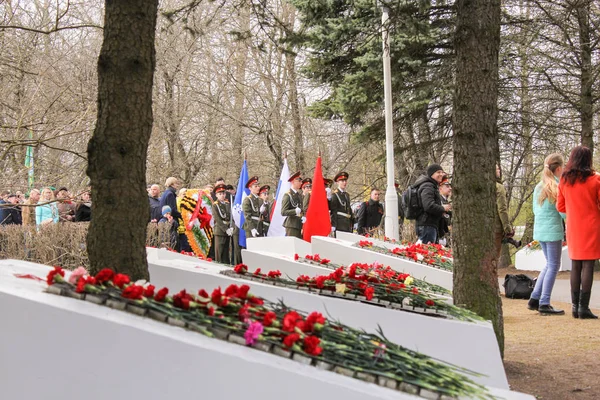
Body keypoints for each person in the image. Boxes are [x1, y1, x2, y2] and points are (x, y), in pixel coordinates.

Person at [557, 146, 600, 319]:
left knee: (575, 265)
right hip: (591, 225)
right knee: (588, 265)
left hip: (573, 226)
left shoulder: (564, 180)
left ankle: (574, 307)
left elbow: (560, 206)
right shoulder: (595, 179)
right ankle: (584, 307)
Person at [526, 154, 566, 315]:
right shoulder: (557, 186)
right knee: (554, 265)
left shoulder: (539, 186)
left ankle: (534, 298)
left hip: (540, 230)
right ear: (558, 169)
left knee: (549, 264)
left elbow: (535, 210)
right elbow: (562, 211)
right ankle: (544, 302)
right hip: (553, 231)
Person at [413, 164, 451, 244]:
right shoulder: (428, 186)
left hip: (429, 225)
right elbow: (428, 206)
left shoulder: (431, 185)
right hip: (427, 225)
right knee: (426, 252)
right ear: (431, 174)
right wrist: (442, 208)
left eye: (442, 172)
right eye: (438, 172)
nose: (441, 174)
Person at [212, 183, 240, 264]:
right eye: (220, 194)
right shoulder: (215, 205)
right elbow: (218, 219)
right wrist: (226, 229)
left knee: (226, 254)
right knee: (219, 253)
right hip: (220, 231)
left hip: (228, 230)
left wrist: (231, 227)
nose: (222, 195)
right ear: (216, 195)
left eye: (223, 193)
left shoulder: (228, 204)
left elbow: (231, 216)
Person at [496, 166, 521, 248]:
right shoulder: (499, 187)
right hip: (495, 228)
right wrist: (508, 230)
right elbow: (502, 209)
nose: (499, 170)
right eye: (497, 169)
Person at [159, 177, 182, 250]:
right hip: (169, 221)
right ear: (172, 184)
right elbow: (173, 210)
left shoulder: (165, 193)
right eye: (176, 183)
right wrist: (182, 216)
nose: (177, 185)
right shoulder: (170, 194)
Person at [281, 171, 304, 239]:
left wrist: (303, 216)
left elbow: (301, 208)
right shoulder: (288, 195)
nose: (301, 183)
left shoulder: (299, 195)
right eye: (299, 181)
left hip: (299, 224)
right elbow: (283, 212)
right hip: (292, 225)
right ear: (293, 181)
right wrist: (294, 211)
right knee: (292, 247)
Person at [438, 176, 452, 247]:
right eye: (447, 186)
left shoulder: (445, 200)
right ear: (440, 188)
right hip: (441, 233)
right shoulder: (439, 200)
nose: (450, 188)